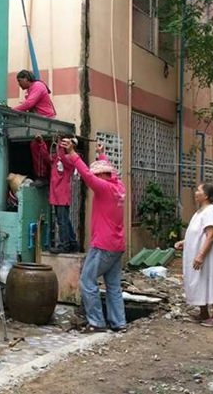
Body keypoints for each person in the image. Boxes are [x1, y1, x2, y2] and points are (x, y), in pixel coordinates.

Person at [61, 140, 127, 332]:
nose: (96, 179)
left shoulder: (104, 189)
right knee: (113, 286)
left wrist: (73, 154)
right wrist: (102, 155)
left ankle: (97, 322)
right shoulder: (119, 187)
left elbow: (88, 176)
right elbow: (105, 173)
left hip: (103, 245)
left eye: (99, 174)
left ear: (103, 175)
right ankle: (118, 322)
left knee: (87, 281)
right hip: (117, 245)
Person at [174, 183, 213, 327]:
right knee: (200, 282)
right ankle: (203, 313)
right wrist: (184, 242)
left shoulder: (210, 211)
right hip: (201, 254)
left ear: (206, 196)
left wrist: (201, 255)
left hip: (209, 257)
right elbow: (199, 234)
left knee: (210, 282)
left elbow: (211, 235)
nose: (195, 192)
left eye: (199, 190)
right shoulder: (200, 212)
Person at [33, 134, 79, 253]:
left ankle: (64, 245)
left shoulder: (70, 159)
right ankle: (72, 243)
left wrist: (60, 145)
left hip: (62, 196)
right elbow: (46, 157)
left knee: (62, 221)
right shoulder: (57, 158)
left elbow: (63, 158)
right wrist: (41, 143)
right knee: (64, 220)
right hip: (57, 195)